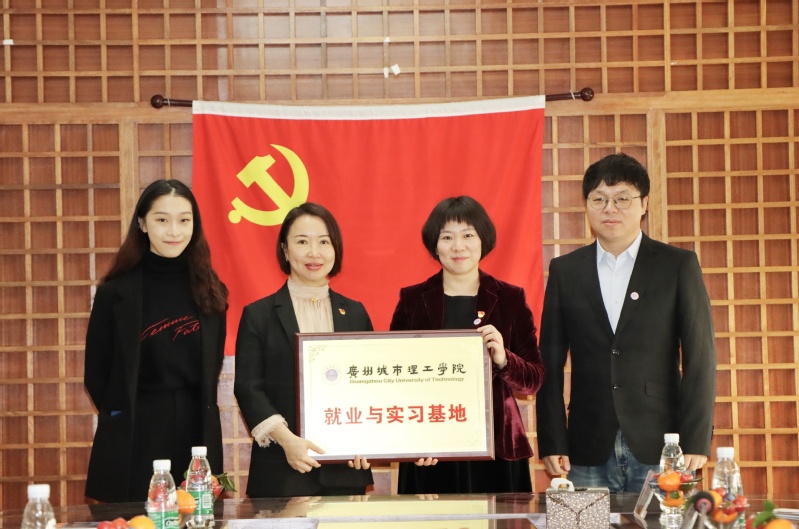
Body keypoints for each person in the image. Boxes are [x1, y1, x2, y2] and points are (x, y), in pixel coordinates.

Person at [535, 153, 717, 493]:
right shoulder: (566, 271)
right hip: (587, 444)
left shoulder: (677, 265)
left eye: (622, 199)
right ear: (587, 205)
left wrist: (696, 439)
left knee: (663, 519)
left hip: (663, 444)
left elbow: (700, 357)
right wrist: (552, 440)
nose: (610, 209)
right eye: (599, 199)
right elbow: (549, 362)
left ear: (644, 204)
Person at [84, 179, 228, 502]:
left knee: (195, 517)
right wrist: (120, 415)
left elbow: (213, 367)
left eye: (184, 220)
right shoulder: (114, 293)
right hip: (136, 431)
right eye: (162, 219)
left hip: (195, 432)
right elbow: (96, 373)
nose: (174, 231)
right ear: (142, 223)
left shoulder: (212, 291)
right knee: (135, 520)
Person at [390, 196, 545, 494]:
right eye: (447, 237)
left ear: (483, 240)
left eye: (468, 235)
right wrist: (409, 437)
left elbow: (534, 380)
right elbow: (395, 378)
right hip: (429, 447)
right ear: (435, 245)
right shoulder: (412, 300)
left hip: (496, 446)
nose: (458, 246)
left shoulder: (510, 299)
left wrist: (503, 359)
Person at [234, 203, 373, 497]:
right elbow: (248, 388)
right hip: (281, 468)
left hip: (345, 469)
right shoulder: (258, 315)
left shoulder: (356, 313)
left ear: (335, 249)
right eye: (302, 242)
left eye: (323, 242)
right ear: (285, 250)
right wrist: (288, 441)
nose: (314, 252)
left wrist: (368, 439)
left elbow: (370, 385)